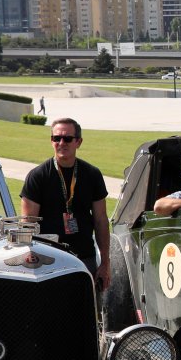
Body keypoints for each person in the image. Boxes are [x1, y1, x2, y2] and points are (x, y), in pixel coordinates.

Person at [21, 118, 111, 290]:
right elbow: (27, 224)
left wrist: (105, 263)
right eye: (56, 138)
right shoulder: (37, 176)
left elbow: (101, 220)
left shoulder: (92, 174)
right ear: (51, 141)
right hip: (47, 260)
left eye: (67, 139)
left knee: (86, 306)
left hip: (84, 258)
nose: (61, 143)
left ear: (79, 142)